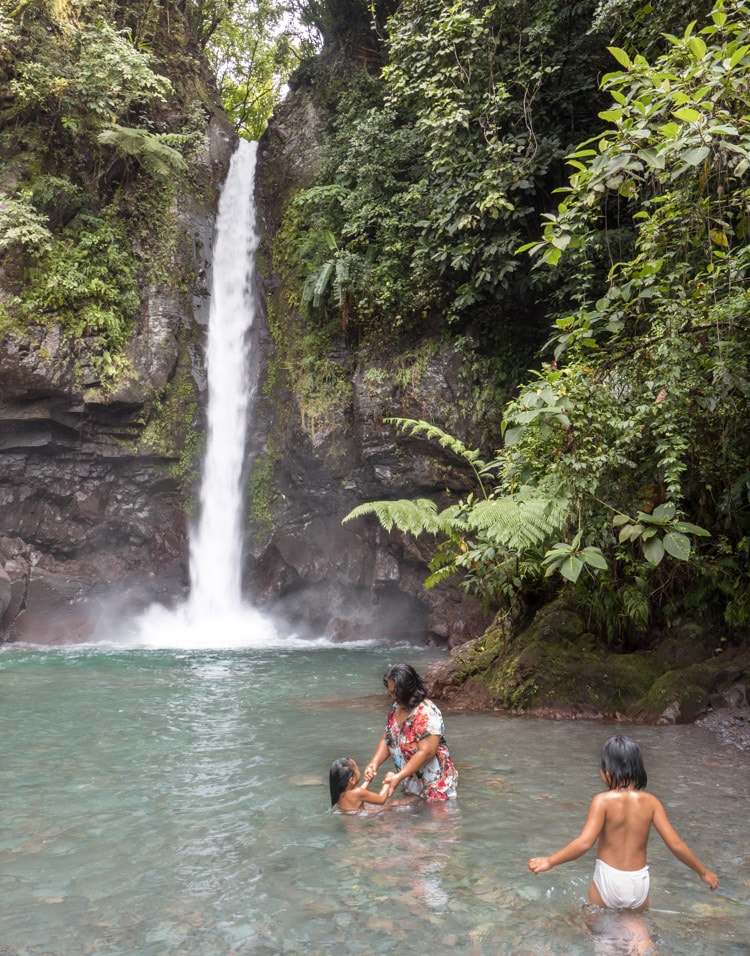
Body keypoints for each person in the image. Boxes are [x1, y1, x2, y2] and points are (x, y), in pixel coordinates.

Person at [528, 735, 719, 909]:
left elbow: (584, 843)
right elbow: (676, 845)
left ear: (609, 770)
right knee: (638, 935)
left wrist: (550, 861)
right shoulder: (652, 802)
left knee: (594, 927)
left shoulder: (602, 801)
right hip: (638, 883)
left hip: (609, 880)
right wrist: (703, 872)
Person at [363, 662, 458, 801]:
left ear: (408, 689)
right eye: (390, 693)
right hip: (411, 785)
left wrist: (399, 776)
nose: (393, 697)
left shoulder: (426, 712)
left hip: (436, 787)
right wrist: (374, 763)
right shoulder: (396, 707)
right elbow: (388, 738)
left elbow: (426, 752)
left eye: (396, 693)